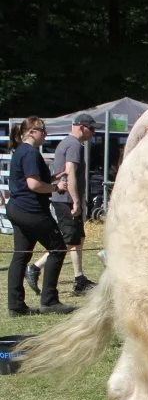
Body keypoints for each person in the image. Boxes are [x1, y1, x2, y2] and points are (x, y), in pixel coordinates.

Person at [5, 117, 75, 316]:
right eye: (42, 130)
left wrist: (54, 177)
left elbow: (32, 180)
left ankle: (16, 306)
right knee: (58, 248)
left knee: (21, 255)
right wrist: (55, 187)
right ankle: (49, 301)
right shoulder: (30, 153)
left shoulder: (21, 152)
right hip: (31, 210)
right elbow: (33, 185)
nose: (45, 133)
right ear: (31, 132)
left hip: (17, 208)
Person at [27, 113, 99, 296]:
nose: (93, 133)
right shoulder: (74, 145)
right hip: (66, 200)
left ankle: (79, 278)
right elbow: (70, 173)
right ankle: (35, 268)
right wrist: (75, 201)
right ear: (82, 127)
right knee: (68, 240)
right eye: (91, 129)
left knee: (77, 239)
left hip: (63, 199)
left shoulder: (68, 143)